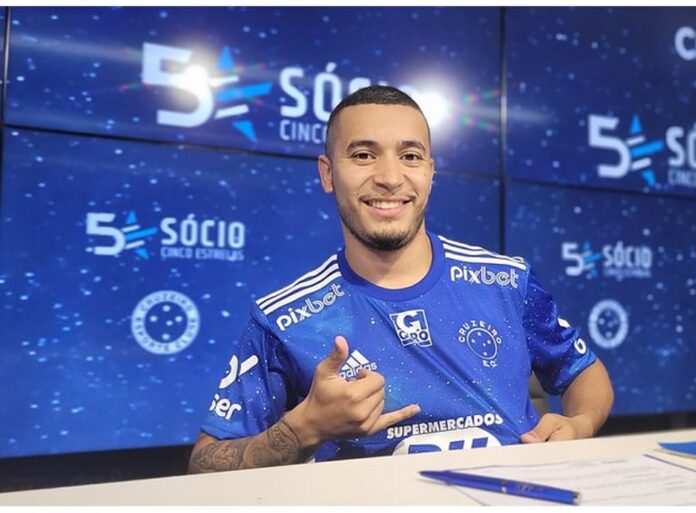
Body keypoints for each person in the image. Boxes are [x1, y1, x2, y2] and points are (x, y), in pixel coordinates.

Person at [188, 85, 614, 473]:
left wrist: (579, 424)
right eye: (363, 155)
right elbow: (204, 466)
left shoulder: (507, 282)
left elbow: (583, 372)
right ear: (327, 173)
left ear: (430, 172)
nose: (390, 178)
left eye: (409, 156)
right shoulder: (283, 320)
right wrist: (303, 429)